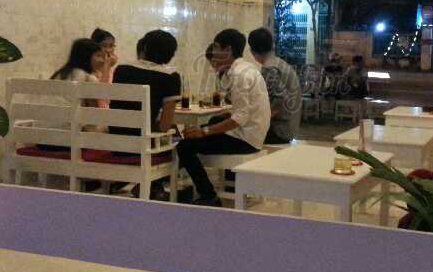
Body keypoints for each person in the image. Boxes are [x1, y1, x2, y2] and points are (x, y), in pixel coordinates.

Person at [177, 29, 271, 207]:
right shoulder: (247, 68)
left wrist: (204, 131)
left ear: (227, 50)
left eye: (216, 48)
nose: (213, 52)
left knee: (184, 146)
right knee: (210, 124)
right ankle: (186, 186)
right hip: (253, 134)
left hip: (246, 140)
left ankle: (208, 195)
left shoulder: (239, 75)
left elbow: (239, 118)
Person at [110, 30, 181, 135]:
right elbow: (164, 126)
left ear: (144, 48)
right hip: (143, 139)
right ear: (171, 54)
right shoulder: (171, 77)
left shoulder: (121, 69)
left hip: (114, 133)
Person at [248, 27, 301, 144]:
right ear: (272, 45)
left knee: (234, 132)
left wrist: (255, 119)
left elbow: (279, 103)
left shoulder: (269, 69)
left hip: (279, 131)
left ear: (252, 51)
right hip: (290, 128)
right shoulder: (281, 64)